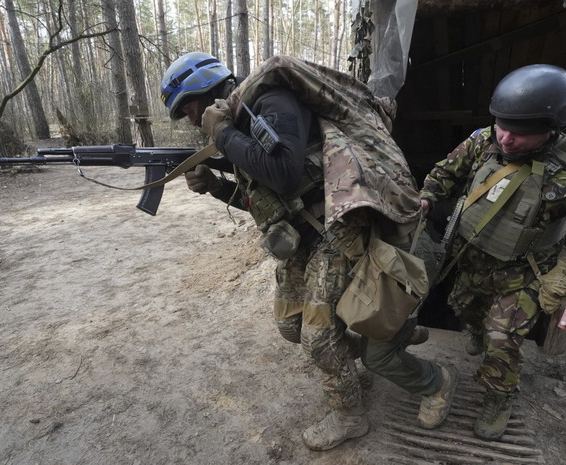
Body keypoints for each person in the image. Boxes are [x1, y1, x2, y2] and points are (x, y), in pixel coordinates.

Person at [159, 52, 461, 451]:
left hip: (339, 229)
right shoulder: (242, 122)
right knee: (292, 327)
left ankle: (355, 413)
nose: (193, 121)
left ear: (205, 90)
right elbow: (267, 198)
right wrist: (216, 186)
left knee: (318, 339)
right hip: (304, 237)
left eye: (190, 110)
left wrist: (222, 135)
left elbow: (282, 173)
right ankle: (380, 340)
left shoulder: (271, 102)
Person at [420, 64, 566, 441]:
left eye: (519, 133)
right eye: (501, 126)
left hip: (525, 271)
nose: (505, 139)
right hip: (469, 256)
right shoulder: (485, 139)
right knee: (464, 307)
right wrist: (425, 200)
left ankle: (498, 396)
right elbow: (445, 173)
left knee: (502, 338)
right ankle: (477, 332)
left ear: (552, 128)